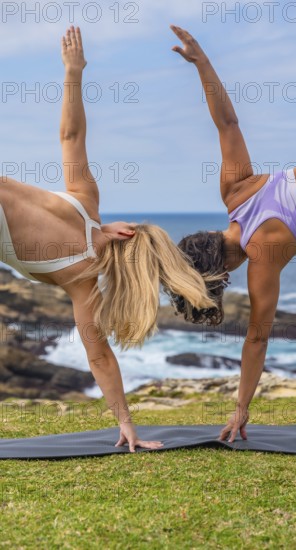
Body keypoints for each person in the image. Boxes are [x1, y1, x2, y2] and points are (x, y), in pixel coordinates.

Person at [0, 26, 223, 453]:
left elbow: (71, 135)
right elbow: (99, 359)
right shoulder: (84, 286)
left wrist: (73, 71)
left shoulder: (85, 202)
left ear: (127, 232)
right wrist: (126, 426)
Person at [169, 24, 296, 441]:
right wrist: (202, 63)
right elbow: (227, 122)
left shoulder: (261, 261)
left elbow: (256, 342)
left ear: (220, 276)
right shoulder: (235, 191)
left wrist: (240, 411)